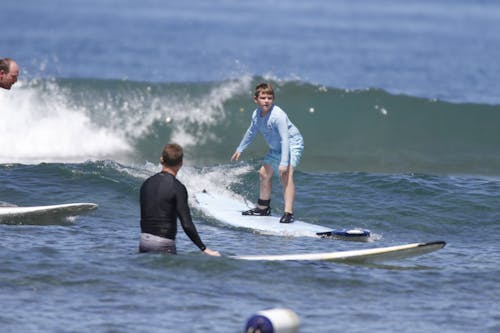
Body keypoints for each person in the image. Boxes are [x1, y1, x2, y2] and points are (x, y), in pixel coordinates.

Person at [231, 83, 304, 224]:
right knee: (264, 173)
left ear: (273, 99)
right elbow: (251, 132)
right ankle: (263, 208)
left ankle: (288, 213)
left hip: (292, 145)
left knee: (286, 175)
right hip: (276, 147)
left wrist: (283, 163)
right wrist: (240, 148)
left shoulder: (278, 115)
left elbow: (285, 139)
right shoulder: (256, 114)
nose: (266, 101)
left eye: (269, 98)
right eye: (263, 98)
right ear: (256, 99)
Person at [139, 143, 220, 256]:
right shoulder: (178, 188)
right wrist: (204, 249)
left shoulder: (146, 184)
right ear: (181, 163)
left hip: (143, 242)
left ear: (161, 160)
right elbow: (186, 224)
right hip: (164, 245)